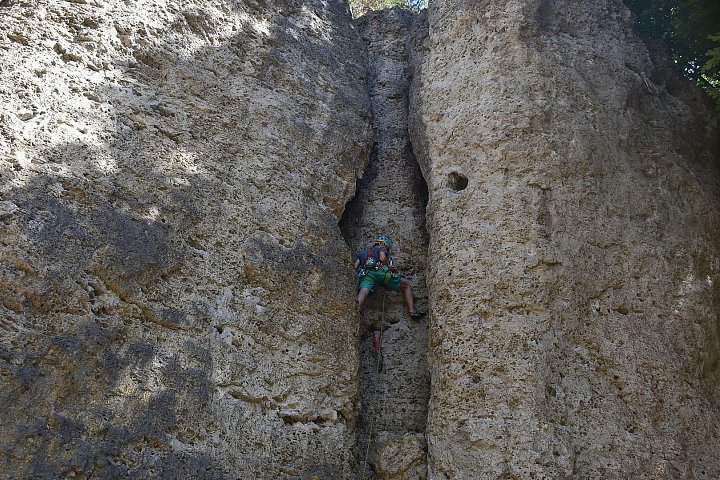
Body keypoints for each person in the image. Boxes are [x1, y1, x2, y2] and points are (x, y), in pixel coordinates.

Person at [354, 235, 427, 319]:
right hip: (380, 273)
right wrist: (388, 265)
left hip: (367, 275)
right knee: (406, 286)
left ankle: (354, 309)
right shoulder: (381, 247)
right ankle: (412, 311)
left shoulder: (363, 253)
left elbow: (355, 267)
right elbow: (382, 258)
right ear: (383, 244)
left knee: (363, 292)